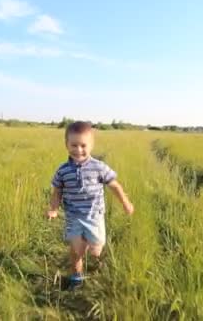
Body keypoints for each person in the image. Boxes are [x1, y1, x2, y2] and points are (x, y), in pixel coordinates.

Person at [46, 121, 134, 289]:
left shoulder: (99, 167)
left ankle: (99, 264)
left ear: (91, 145)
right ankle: (76, 277)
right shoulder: (63, 170)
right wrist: (53, 209)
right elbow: (57, 191)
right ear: (66, 145)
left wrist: (125, 202)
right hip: (74, 217)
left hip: (95, 216)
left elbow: (114, 185)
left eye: (83, 145)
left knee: (95, 251)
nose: (78, 150)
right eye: (74, 145)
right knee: (76, 252)